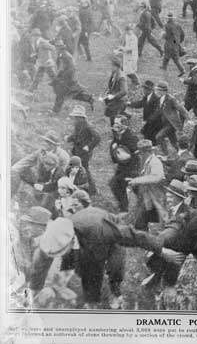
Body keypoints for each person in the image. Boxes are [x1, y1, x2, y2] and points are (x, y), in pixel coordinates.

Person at [29, 207, 181, 309]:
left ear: (70, 241)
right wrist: (34, 290)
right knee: (86, 270)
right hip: (84, 238)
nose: (57, 256)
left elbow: (134, 235)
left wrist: (160, 250)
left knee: (115, 266)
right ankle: (92, 300)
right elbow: (39, 266)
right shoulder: (51, 238)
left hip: (109, 232)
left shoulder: (102, 231)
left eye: (61, 252)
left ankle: (115, 292)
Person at [128, 139, 167, 231]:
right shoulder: (147, 161)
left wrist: (137, 180)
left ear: (146, 152)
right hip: (148, 197)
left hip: (155, 197)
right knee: (141, 222)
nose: (140, 155)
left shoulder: (155, 162)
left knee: (159, 221)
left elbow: (156, 177)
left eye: (141, 153)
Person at [51, 40, 94, 114]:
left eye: (56, 47)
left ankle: (55, 111)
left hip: (69, 78)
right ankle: (89, 98)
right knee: (71, 94)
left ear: (59, 48)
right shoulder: (61, 54)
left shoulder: (65, 56)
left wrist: (63, 77)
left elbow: (72, 68)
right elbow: (62, 68)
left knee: (61, 94)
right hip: (67, 78)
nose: (55, 49)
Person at [65, 106, 100, 194]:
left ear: (82, 117)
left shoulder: (88, 126)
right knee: (78, 167)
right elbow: (75, 135)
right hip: (77, 150)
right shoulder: (77, 124)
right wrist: (69, 138)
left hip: (85, 153)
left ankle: (92, 189)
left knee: (84, 168)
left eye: (77, 117)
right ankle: (75, 185)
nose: (75, 119)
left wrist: (89, 146)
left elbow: (97, 137)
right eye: (75, 117)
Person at [109, 116, 139, 213]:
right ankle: (124, 208)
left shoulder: (131, 137)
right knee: (115, 185)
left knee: (135, 187)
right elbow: (114, 148)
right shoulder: (117, 134)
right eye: (114, 123)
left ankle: (143, 206)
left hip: (132, 167)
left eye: (117, 123)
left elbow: (133, 152)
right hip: (122, 166)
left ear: (124, 125)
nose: (115, 125)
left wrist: (119, 147)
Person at [153, 81, 188, 152]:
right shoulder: (159, 98)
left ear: (163, 91)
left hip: (171, 124)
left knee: (159, 137)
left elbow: (181, 108)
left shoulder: (171, 99)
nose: (156, 92)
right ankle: (181, 152)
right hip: (164, 123)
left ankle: (166, 153)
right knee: (173, 141)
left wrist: (188, 118)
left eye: (157, 90)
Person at [103, 57, 128, 125]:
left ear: (116, 66)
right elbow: (111, 86)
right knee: (111, 115)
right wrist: (107, 93)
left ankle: (116, 133)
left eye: (111, 65)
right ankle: (126, 115)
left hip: (120, 101)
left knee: (114, 120)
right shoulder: (114, 73)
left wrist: (113, 96)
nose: (110, 67)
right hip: (115, 100)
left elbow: (124, 91)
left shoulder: (121, 77)